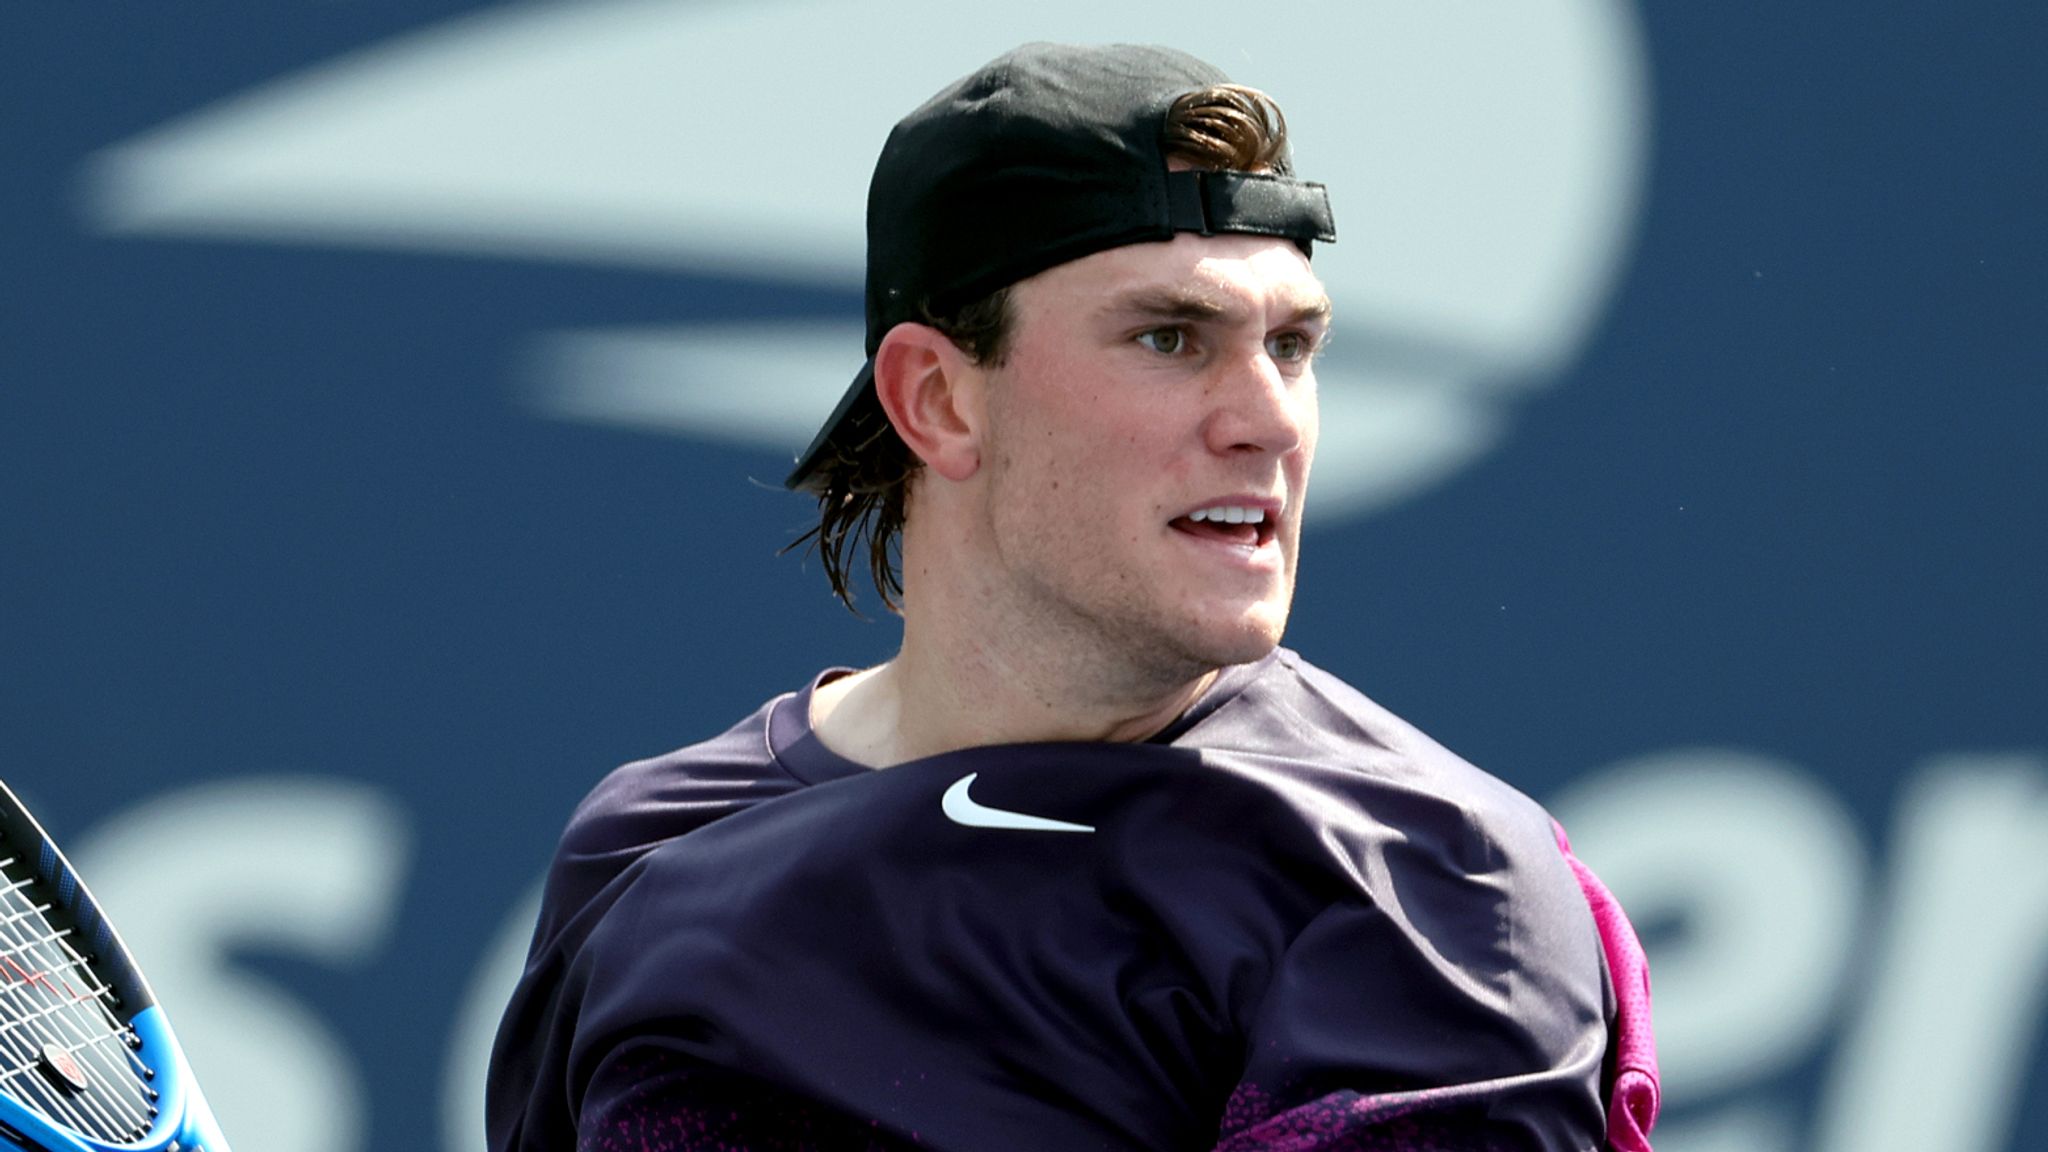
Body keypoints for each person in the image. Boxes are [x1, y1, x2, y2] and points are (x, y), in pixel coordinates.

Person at [486, 42, 1658, 1152]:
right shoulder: (643, 849)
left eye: (1292, 346)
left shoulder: (1430, 886)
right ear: (937, 400)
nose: (1264, 419)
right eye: (1168, 337)